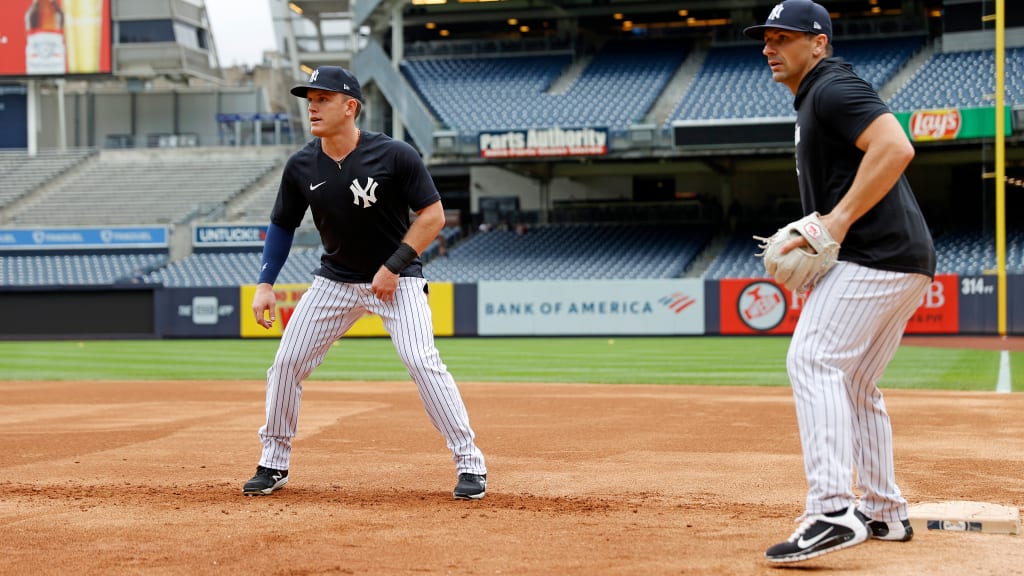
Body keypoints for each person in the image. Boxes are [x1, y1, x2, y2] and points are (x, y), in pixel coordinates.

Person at [743, 0, 936, 563]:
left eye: (783, 38)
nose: (768, 47)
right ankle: (884, 512)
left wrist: (836, 222)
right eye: (767, 38)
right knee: (854, 386)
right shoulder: (814, 97)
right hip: (902, 258)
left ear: (819, 43)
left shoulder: (830, 86)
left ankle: (831, 511)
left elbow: (896, 146)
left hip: (875, 254)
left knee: (813, 361)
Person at [243, 66, 488, 500]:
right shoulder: (301, 164)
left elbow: (431, 217)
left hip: (398, 280)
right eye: (309, 100)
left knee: (421, 361)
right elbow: (281, 225)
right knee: (285, 365)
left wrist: (394, 265)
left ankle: (470, 462)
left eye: (323, 99)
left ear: (350, 106)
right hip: (335, 280)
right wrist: (265, 284)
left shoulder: (395, 155)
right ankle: (273, 462)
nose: (313, 107)